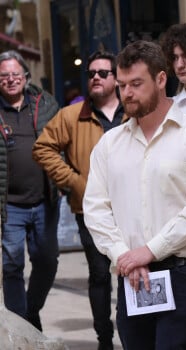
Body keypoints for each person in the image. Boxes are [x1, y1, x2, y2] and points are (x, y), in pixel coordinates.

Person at [82, 40, 186, 349]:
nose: (127, 93)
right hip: (132, 276)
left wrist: (149, 250)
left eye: (136, 83)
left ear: (161, 79)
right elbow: (95, 209)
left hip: (185, 273)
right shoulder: (110, 145)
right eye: (121, 85)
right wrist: (125, 255)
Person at [32, 50, 126, 350]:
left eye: (102, 73)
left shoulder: (133, 110)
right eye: (91, 73)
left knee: (132, 272)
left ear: (116, 78)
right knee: (99, 274)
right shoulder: (72, 115)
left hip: (134, 207)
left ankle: (135, 332)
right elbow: (43, 148)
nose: (95, 78)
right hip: (91, 210)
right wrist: (75, 183)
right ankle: (104, 339)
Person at [0, 50, 60, 331]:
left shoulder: (46, 104)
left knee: (47, 261)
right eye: (4, 76)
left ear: (25, 77)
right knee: (12, 265)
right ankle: (19, 325)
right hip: (9, 205)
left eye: (15, 75)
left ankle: (30, 311)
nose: (10, 80)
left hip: (44, 201)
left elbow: (64, 142)